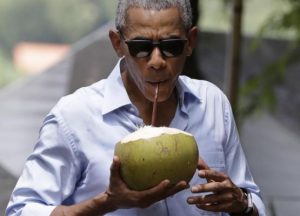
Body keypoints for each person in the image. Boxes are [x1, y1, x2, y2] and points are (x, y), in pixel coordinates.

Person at [6, 0, 266, 215]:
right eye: (141, 48)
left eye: (171, 47)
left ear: (190, 42)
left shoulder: (212, 104)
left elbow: (254, 202)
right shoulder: (74, 117)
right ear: (118, 44)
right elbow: (21, 210)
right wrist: (108, 201)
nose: (156, 62)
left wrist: (242, 203)